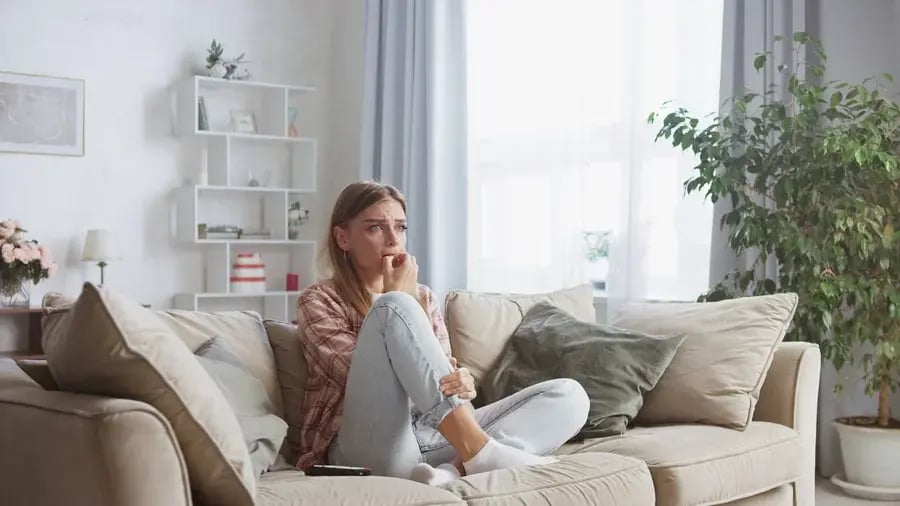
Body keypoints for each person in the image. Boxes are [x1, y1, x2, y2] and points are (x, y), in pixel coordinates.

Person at [295, 181, 589, 485]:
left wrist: (462, 382)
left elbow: (440, 376)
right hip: (369, 449)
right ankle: (481, 452)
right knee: (393, 306)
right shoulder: (317, 301)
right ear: (343, 238)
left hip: (432, 440)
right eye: (375, 228)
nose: (394, 240)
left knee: (570, 396)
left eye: (401, 227)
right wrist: (401, 298)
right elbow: (361, 379)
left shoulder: (425, 297)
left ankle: (452, 471)